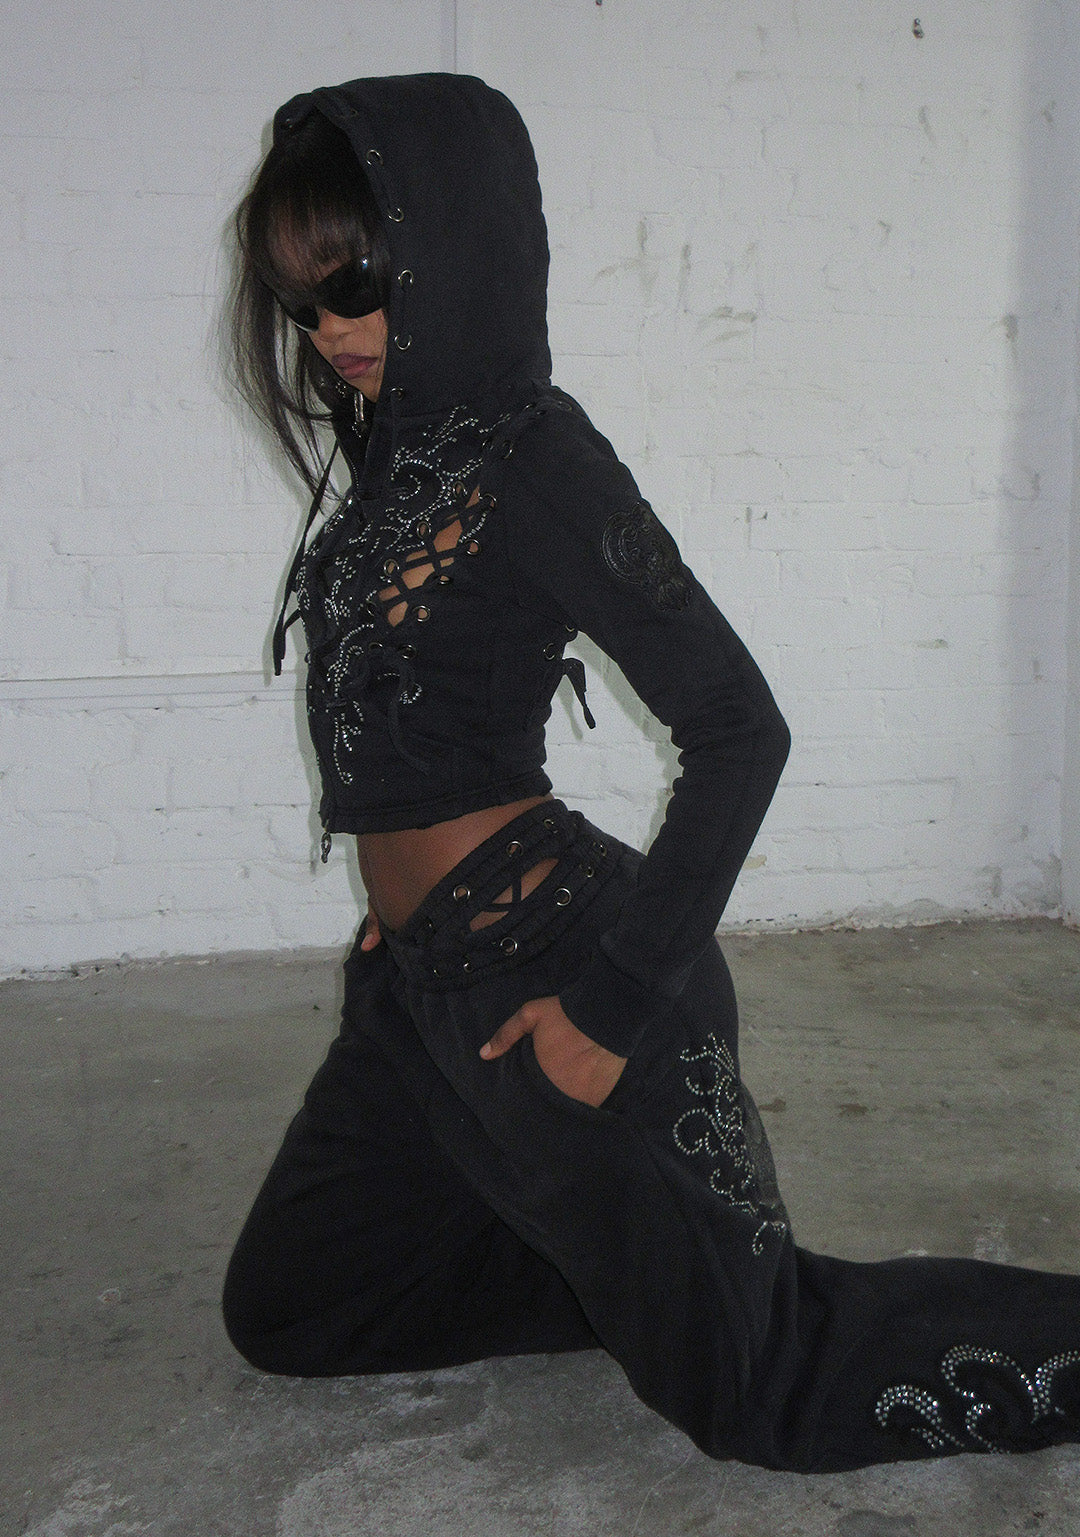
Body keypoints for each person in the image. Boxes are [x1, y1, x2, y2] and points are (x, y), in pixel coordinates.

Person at [221, 72, 1080, 1472]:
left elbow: (742, 729)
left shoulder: (534, 456)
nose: (330, 331)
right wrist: (391, 893)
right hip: (417, 994)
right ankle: (629, 1273)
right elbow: (406, 719)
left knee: (763, 1390)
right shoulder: (397, 456)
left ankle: (703, 1288)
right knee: (292, 1309)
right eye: (300, 299)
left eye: (356, 283)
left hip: (559, 975)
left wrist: (609, 1012)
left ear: (447, 250)